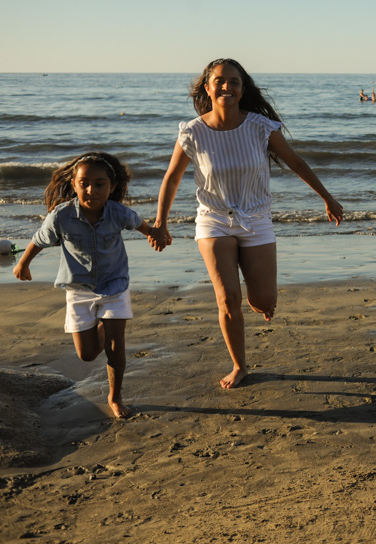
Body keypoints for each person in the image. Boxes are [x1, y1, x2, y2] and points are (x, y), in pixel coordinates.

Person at [149, 58, 343, 389]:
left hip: (256, 219)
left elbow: (295, 162)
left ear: (242, 88)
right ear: (208, 87)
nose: (227, 86)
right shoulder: (192, 132)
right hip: (213, 221)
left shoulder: (260, 127)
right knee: (228, 300)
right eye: (220, 81)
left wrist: (327, 197)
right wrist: (160, 223)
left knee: (263, 300)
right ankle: (239, 365)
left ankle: (260, 301)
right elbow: (171, 179)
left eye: (234, 81)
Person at [13, 152, 153, 418]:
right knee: (87, 354)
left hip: (114, 285)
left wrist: (155, 234)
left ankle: (115, 397)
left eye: (99, 184)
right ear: (74, 184)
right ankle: (104, 326)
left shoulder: (118, 213)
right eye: (84, 183)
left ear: (112, 186)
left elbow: (141, 225)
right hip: (79, 290)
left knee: (116, 347)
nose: (91, 190)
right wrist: (23, 263)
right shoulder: (61, 216)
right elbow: (39, 240)